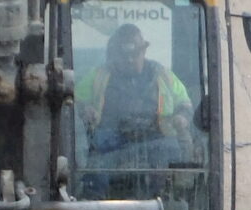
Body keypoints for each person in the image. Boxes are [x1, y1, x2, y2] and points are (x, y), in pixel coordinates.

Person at [77, 22, 192, 161]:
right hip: (111, 145)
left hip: (157, 141)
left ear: (144, 51)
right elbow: (74, 100)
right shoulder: (98, 75)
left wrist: (182, 117)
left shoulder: (163, 75)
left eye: (134, 54)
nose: (129, 60)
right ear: (115, 54)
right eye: (124, 56)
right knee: (96, 171)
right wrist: (84, 109)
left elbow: (184, 103)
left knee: (173, 153)